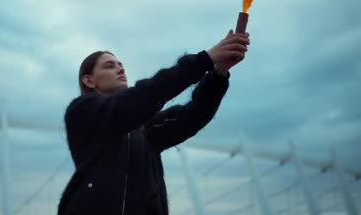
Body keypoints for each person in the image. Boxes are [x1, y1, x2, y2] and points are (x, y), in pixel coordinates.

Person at [57, 30, 250, 215]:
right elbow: (139, 100)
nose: (120, 68)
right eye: (109, 65)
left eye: (120, 64)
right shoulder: (81, 112)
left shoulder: (144, 130)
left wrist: (218, 72)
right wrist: (203, 60)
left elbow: (193, 115)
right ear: (89, 81)